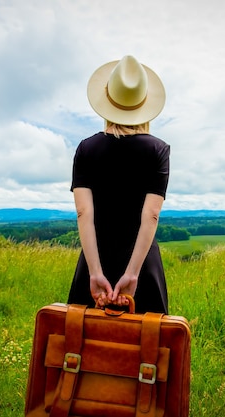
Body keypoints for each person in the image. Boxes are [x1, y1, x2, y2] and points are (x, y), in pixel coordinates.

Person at [67, 55, 170, 314]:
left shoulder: (86, 149)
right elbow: (151, 215)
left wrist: (95, 272)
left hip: (94, 259)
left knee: (85, 343)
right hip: (142, 264)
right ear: (143, 104)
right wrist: (132, 274)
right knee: (146, 348)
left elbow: (84, 213)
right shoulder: (158, 150)